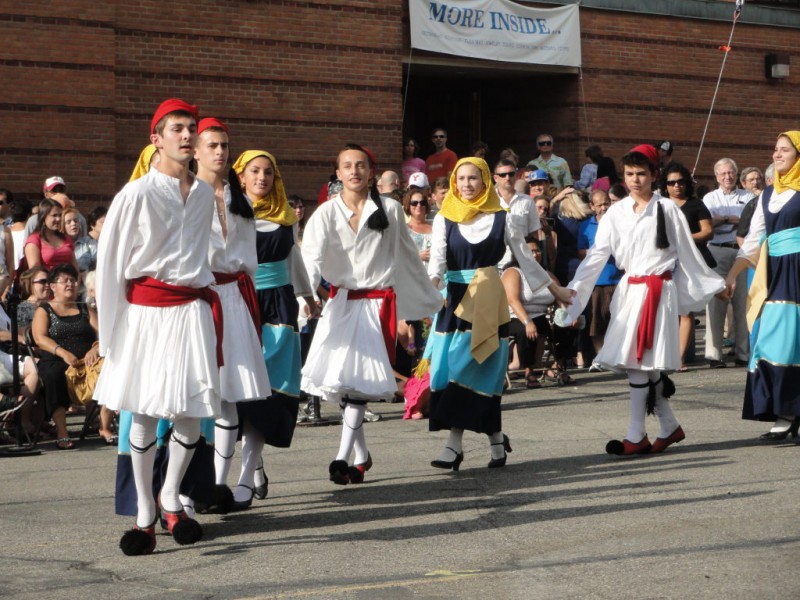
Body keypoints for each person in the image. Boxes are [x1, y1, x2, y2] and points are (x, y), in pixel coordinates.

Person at [95, 99, 221, 555]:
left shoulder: (206, 193)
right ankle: (145, 510)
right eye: (176, 129)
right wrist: (110, 335)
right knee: (145, 410)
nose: (186, 136)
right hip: (147, 313)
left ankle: (171, 496)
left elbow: (204, 259)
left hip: (191, 312)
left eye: (191, 128)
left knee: (192, 411)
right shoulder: (135, 194)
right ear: (156, 139)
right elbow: (110, 267)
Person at [565, 146, 725, 455]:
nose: (635, 180)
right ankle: (668, 426)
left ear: (655, 176)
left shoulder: (667, 209)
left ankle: (636, 435)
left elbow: (687, 253)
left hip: (657, 290)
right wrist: (574, 291)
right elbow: (598, 255)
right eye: (629, 174)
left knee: (637, 362)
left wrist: (714, 284)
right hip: (630, 290)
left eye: (641, 174)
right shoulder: (616, 212)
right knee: (644, 365)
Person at [301, 143, 441, 485]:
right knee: (346, 381)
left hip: (377, 305)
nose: (354, 171)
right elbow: (310, 258)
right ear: (338, 173)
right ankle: (361, 456)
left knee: (357, 387)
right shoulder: (325, 213)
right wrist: (305, 299)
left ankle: (340, 458)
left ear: (371, 172)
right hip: (341, 303)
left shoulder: (391, 209)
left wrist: (421, 303)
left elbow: (407, 258)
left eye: (360, 165)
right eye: (347, 165)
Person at [427, 157, 574, 470]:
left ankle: (453, 446)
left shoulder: (501, 217)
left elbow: (525, 258)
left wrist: (555, 290)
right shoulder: (444, 217)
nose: (467, 185)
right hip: (454, 302)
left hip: (489, 302)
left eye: (473, 178)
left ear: (484, 182)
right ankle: (496, 440)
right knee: (450, 371)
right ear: (454, 182)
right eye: (461, 178)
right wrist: (428, 293)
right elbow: (437, 263)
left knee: (471, 370)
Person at [194, 120, 273, 512]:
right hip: (200, 298)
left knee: (230, 398)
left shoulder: (239, 198)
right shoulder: (183, 194)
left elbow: (249, 261)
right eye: (212, 145)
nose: (220, 152)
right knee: (195, 394)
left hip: (236, 299)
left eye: (225, 145)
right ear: (195, 149)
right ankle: (181, 489)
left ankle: (218, 485)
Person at [232, 149, 316, 504]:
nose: (262, 178)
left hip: (280, 306)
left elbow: (293, 256)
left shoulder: (285, 217)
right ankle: (252, 465)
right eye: (254, 171)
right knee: (241, 391)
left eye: (268, 171)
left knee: (273, 389)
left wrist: (309, 296)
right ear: (241, 177)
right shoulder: (230, 213)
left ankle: (246, 474)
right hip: (242, 304)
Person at [726, 132, 800, 441]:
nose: (777, 154)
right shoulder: (767, 196)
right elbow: (754, 241)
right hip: (774, 275)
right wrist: (732, 274)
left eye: (785, 149)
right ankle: (784, 411)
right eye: (775, 149)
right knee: (772, 341)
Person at [32, 264, 109, 448]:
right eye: (64, 281)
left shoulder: (85, 309)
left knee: (110, 367)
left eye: (73, 280)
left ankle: (104, 426)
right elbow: (39, 338)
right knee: (53, 375)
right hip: (56, 359)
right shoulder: (44, 310)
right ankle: (62, 431)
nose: (70, 284)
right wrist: (62, 352)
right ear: (52, 286)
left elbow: (103, 334)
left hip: (88, 360)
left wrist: (95, 349)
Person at [659, 162, 715, 371]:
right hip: (664, 262)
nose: (676, 186)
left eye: (680, 181)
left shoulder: (696, 205)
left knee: (686, 310)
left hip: (690, 263)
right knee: (663, 309)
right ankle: (663, 355)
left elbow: (708, 232)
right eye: (671, 182)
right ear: (665, 185)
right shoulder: (660, 205)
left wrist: (684, 239)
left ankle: (680, 358)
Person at [703, 158, 753, 368]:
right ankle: (714, 355)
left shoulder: (748, 196)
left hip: (741, 251)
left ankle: (743, 353)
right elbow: (707, 223)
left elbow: (750, 222)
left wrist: (723, 219)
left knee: (743, 303)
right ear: (716, 177)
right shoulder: (709, 198)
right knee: (715, 305)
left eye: (731, 172)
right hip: (716, 251)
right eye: (723, 173)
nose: (728, 177)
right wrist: (728, 220)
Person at [502, 240, 566, 388]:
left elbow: (559, 296)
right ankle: (528, 371)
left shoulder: (547, 274)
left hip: (541, 316)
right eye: (530, 251)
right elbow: (513, 300)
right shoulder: (513, 272)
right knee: (526, 330)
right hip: (515, 316)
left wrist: (567, 315)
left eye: (537, 250)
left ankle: (558, 366)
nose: (535, 254)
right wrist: (527, 321)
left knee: (566, 327)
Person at [577, 190, 623, 365]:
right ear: (592, 206)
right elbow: (580, 251)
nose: (604, 207)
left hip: (617, 278)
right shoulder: (585, 226)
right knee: (597, 320)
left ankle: (617, 356)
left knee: (618, 320)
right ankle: (601, 356)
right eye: (600, 205)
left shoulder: (619, 223)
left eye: (606, 203)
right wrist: (597, 252)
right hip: (596, 280)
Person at [493, 159, 540, 268]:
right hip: (495, 263)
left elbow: (533, 234)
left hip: (522, 262)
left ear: (516, 176)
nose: (507, 178)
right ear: (496, 178)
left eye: (511, 174)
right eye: (503, 175)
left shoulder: (527, 201)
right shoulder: (487, 203)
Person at [24, 199, 79, 273]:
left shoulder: (66, 238)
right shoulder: (34, 240)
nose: (58, 219)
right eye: (54, 215)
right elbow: (35, 272)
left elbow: (75, 267)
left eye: (60, 215)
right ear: (43, 217)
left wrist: (76, 283)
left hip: (69, 282)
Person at [404, 187, 433, 267]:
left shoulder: (436, 227)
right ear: (408, 205)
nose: (419, 205)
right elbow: (398, 256)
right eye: (414, 203)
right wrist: (418, 257)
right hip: (414, 275)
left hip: (437, 275)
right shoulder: (404, 230)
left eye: (422, 202)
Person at [17, 267, 49, 331]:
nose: (48, 285)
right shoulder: (23, 309)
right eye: (43, 281)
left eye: (49, 281)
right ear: (30, 283)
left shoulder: (54, 306)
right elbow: (21, 333)